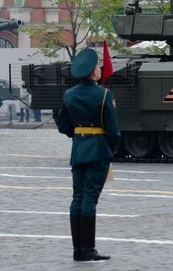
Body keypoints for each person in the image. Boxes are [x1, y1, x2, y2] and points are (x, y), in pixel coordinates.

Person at [55, 48, 122, 262]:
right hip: (99, 150)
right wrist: (113, 147)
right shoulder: (104, 94)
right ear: (94, 71)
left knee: (77, 198)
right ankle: (88, 250)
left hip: (78, 149)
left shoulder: (69, 94)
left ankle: (78, 250)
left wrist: (77, 137)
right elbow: (112, 129)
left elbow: (63, 124)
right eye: (98, 66)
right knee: (90, 199)